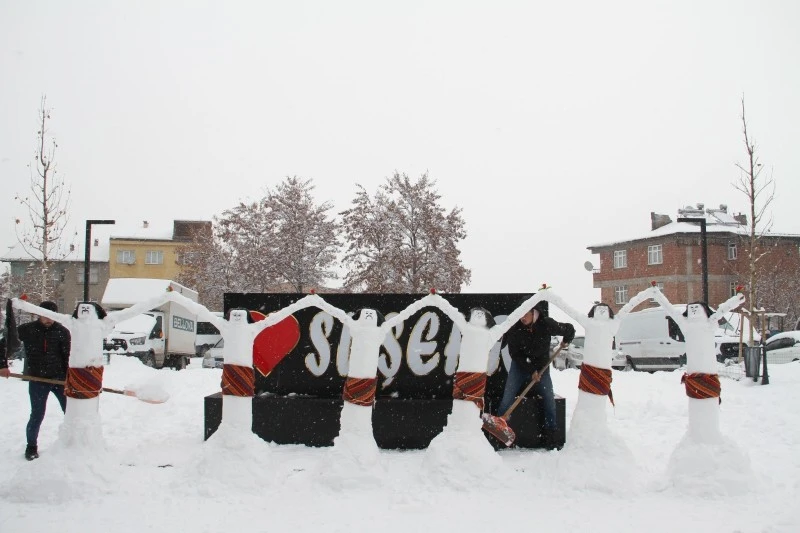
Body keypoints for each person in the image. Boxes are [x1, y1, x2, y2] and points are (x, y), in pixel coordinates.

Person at [497, 299, 575, 449]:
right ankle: (499, 431)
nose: (522, 318)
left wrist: (566, 340)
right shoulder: (515, 328)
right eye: (520, 315)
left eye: (525, 314)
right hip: (520, 367)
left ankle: (550, 436)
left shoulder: (546, 324)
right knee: (508, 397)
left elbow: (569, 328)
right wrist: (530, 370)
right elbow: (515, 353)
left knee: (549, 399)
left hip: (542, 369)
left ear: (534, 312)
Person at [1, 300, 71, 460]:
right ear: (39, 314)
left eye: (52, 316)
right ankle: (31, 447)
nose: (49, 319)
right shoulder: (27, 330)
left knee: (71, 412)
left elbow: (68, 356)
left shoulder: (62, 332)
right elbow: (5, 341)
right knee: (37, 414)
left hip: (59, 380)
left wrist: (70, 377)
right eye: (45, 315)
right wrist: (2, 364)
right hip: (37, 380)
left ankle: (73, 443)